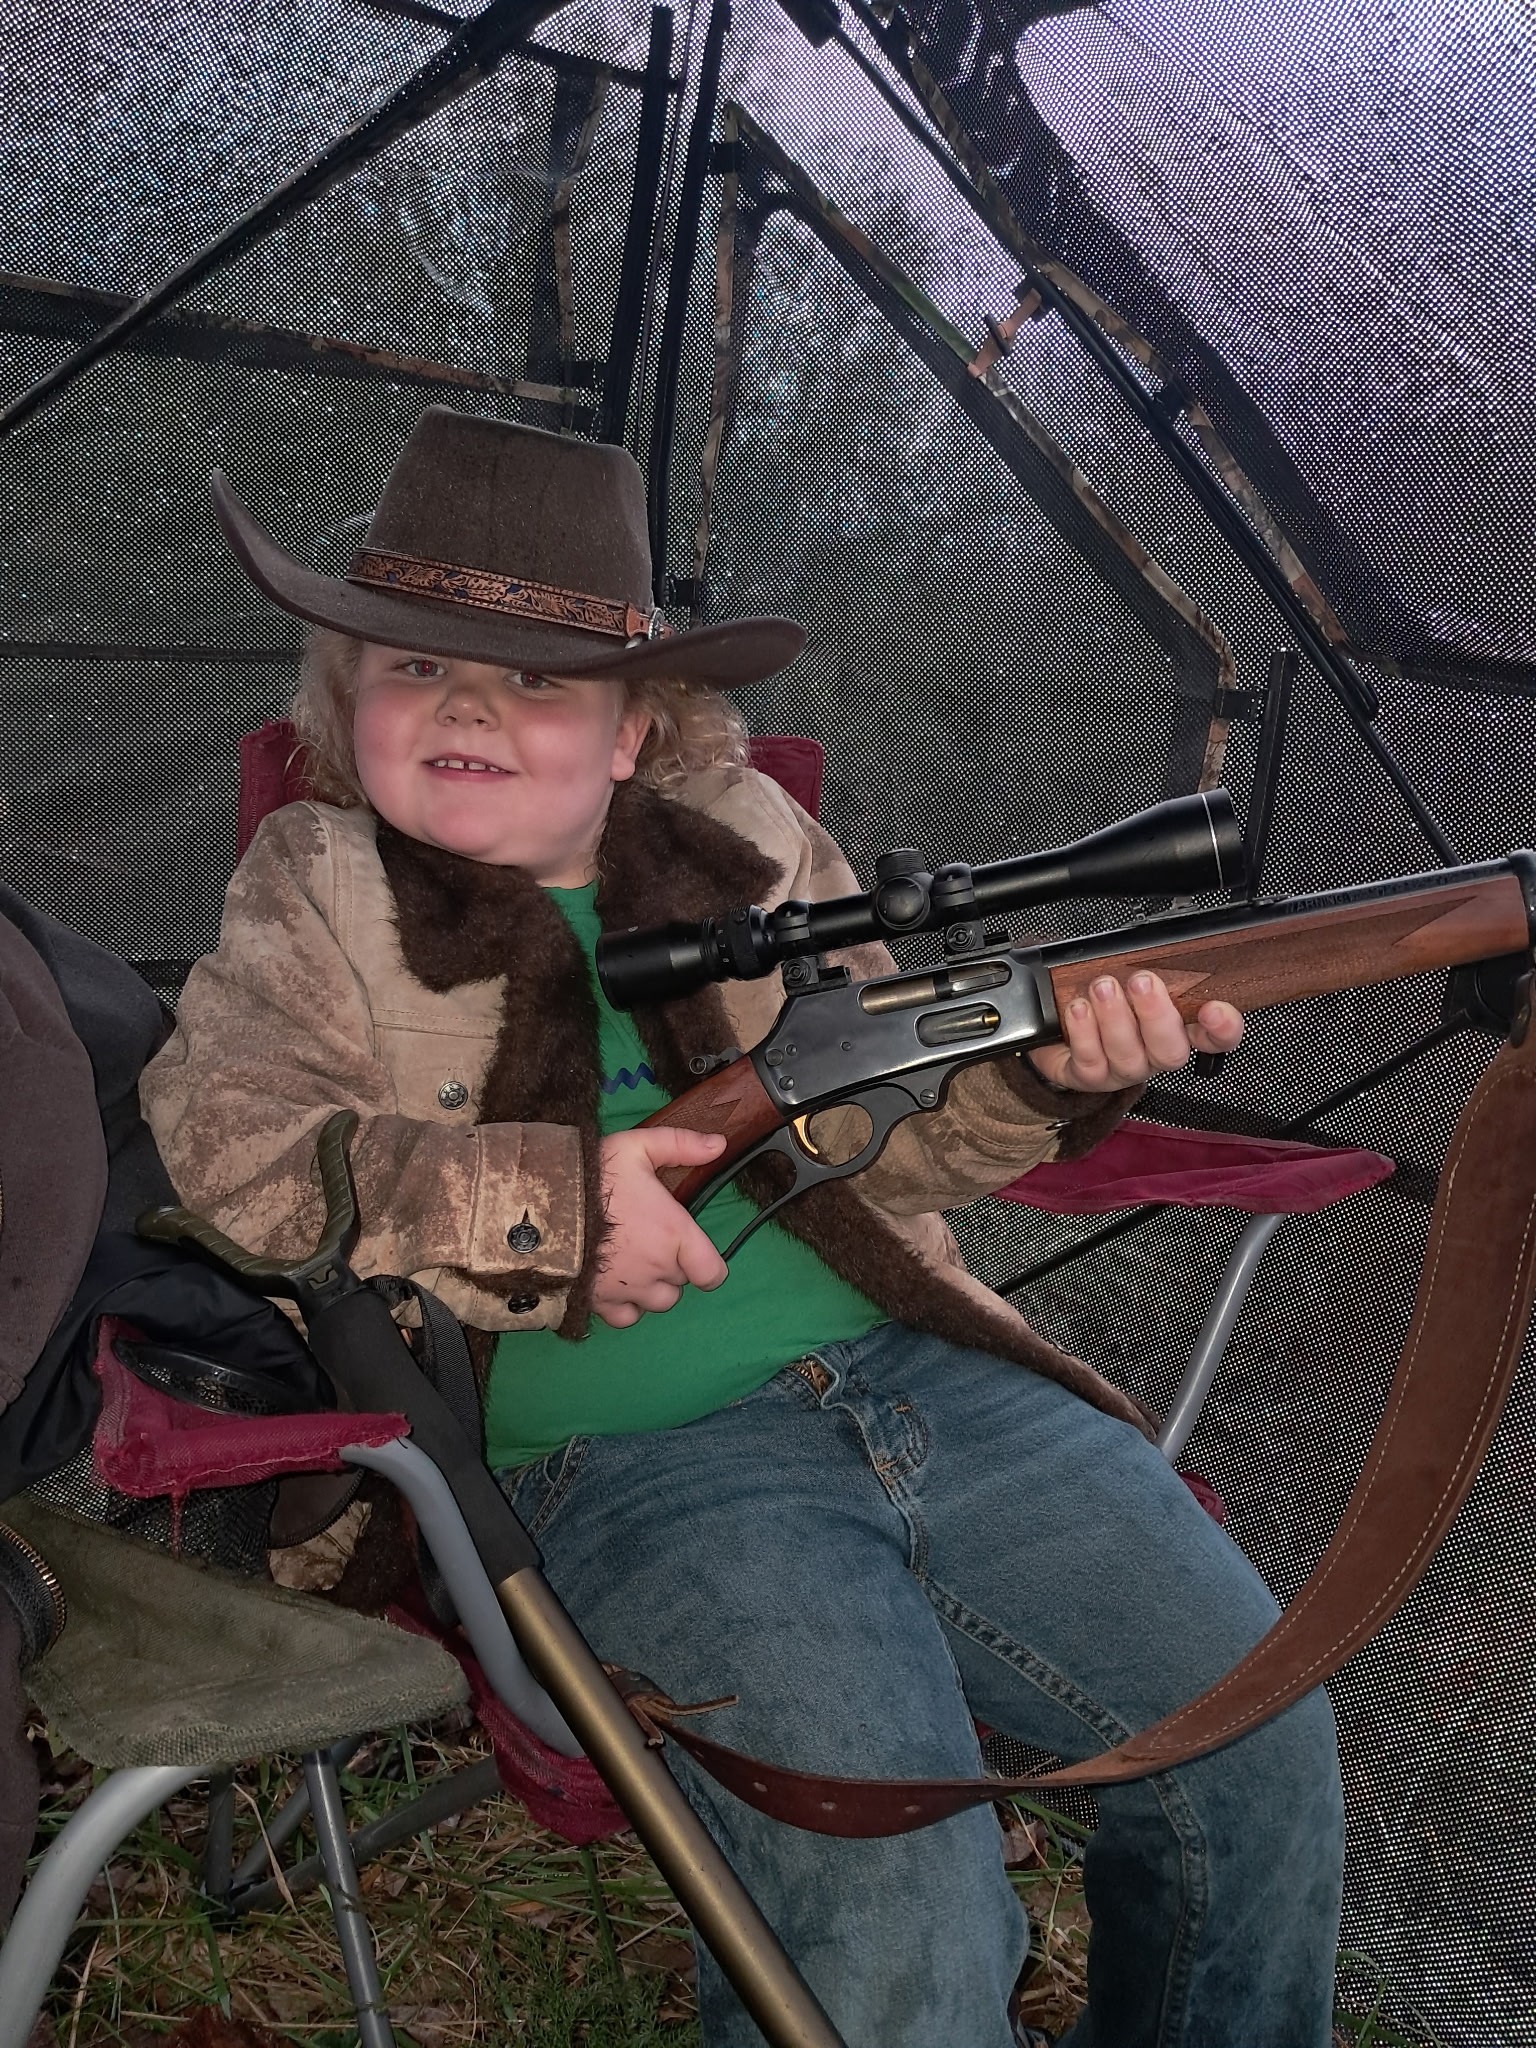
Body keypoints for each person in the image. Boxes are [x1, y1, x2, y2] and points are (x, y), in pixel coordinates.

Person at [140, 408, 1345, 2048]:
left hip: (932, 1378)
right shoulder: (318, 882)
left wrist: (1054, 1081)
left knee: (1261, 1738)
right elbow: (230, 1146)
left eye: (540, 678)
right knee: (908, 1936)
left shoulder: (757, 848)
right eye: (415, 667)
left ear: (634, 729)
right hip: (626, 1464)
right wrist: (554, 1211)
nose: (469, 706)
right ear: (345, 698)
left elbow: (900, 1152)